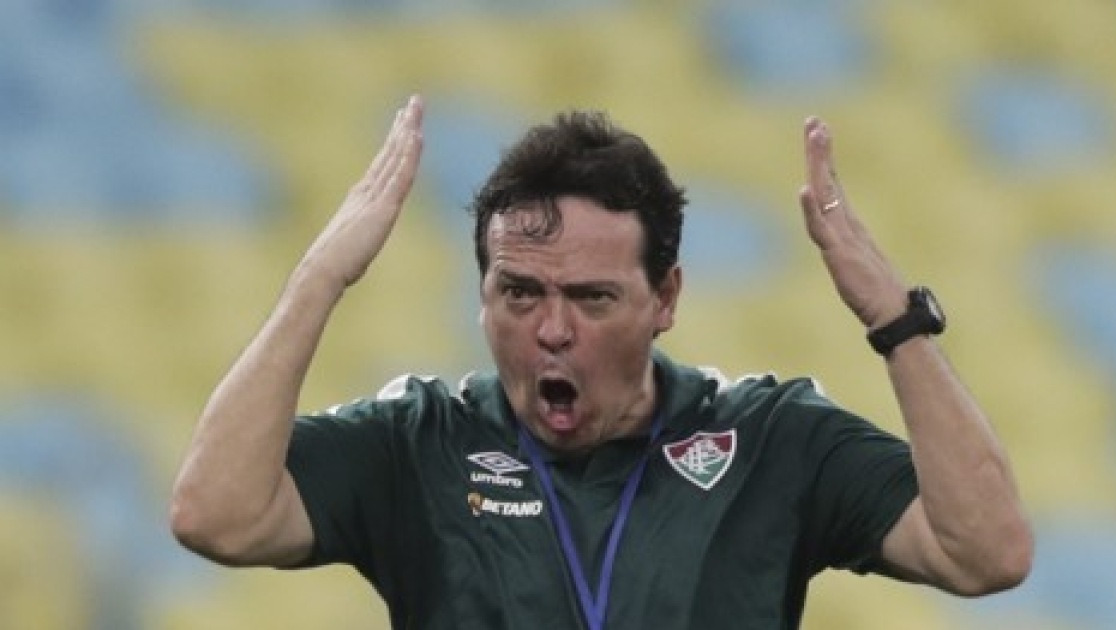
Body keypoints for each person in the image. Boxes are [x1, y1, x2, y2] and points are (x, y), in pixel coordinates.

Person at [170, 95, 1033, 629]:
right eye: (519, 294)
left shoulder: (768, 439)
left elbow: (985, 552)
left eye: (590, 299)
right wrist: (319, 279)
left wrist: (894, 320)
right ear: (481, 297)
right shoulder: (418, 441)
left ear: (664, 299)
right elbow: (218, 516)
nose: (551, 330)